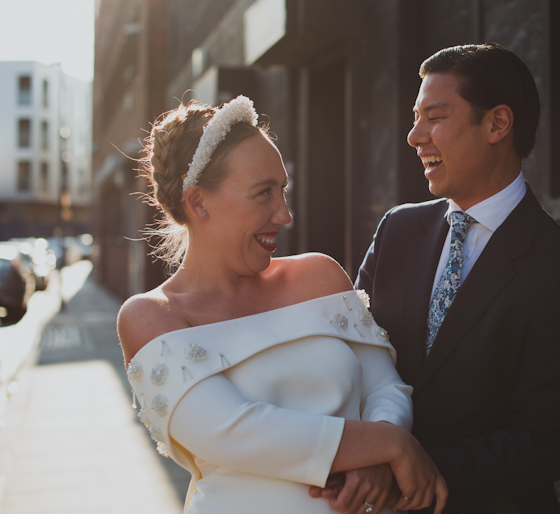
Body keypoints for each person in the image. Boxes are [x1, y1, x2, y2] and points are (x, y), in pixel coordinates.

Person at [117, 96, 447, 514]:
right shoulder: (151, 317)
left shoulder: (320, 276)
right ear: (199, 202)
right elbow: (236, 431)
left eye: (283, 190)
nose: (285, 214)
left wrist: (377, 461)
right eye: (263, 194)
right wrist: (390, 444)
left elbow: (385, 386)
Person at [352, 44, 560, 513]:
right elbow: (349, 354)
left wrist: (398, 470)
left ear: (497, 124)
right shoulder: (397, 230)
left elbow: (542, 443)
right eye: (415, 117)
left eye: (435, 116)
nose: (414, 136)